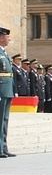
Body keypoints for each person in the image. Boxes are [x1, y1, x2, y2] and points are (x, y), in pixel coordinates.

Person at [0, 27, 16, 158]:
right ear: (1, 38)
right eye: (7, 36)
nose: (9, 39)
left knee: (4, 120)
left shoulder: (4, 53)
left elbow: (10, 74)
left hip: (7, 90)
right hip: (1, 91)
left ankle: (4, 147)